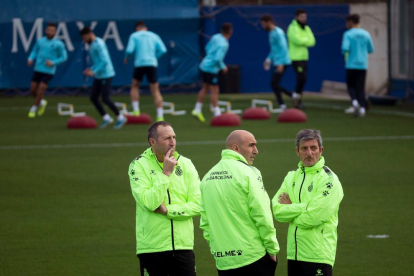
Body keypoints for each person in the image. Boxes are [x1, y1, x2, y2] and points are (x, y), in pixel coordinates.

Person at [200, 130, 279, 276]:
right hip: (253, 257)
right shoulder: (249, 173)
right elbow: (262, 214)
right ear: (236, 148)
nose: (256, 151)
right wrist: (272, 249)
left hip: (224, 261)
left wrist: (217, 250)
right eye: (251, 146)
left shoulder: (207, 178)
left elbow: (205, 222)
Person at [128, 121, 201, 276]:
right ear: (152, 142)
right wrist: (166, 173)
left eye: (174, 137)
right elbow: (150, 203)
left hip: (183, 247)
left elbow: (199, 204)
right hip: (153, 248)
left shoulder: (186, 164)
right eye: (167, 138)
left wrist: (168, 211)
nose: (173, 142)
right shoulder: (138, 165)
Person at [272, 129, 344, 276]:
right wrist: (306, 207)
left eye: (313, 148)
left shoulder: (329, 180)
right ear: (297, 151)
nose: (309, 153)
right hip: (294, 255)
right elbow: (278, 211)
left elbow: (314, 217)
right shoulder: (291, 176)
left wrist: (291, 208)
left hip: (318, 256)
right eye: (304, 148)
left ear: (321, 150)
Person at [80, 27, 126, 129]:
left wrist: (94, 71)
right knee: (93, 97)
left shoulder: (98, 44)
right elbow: (98, 61)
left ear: (89, 34)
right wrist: (91, 69)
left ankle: (120, 117)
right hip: (99, 75)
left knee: (105, 98)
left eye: (84, 37)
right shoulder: (92, 44)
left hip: (106, 74)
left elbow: (104, 61)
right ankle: (106, 118)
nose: (84, 40)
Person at [124, 21, 167, 121]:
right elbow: (163, 50)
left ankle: (136, 110)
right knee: (155, 90)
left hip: (139, 64)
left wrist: (126, 58)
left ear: (137, 28)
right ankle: (160, 116)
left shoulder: (134, 35)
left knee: (135, 86)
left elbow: (129, 50)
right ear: (145, 28)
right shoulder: (154, 35)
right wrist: (155, 58)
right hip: (152, 64)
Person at [192, 23, 233, 122]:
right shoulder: (224, 44)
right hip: (211, 68)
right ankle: (217, 113)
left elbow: (207, 48)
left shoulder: (215, 37)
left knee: (205, 88)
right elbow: (217, 59)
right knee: (215, 90)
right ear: (230, 32)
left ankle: (197, 109)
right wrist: (223, 67)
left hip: (204, 65)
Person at [27, 22, 67, 118]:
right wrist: (30, 58)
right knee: (33, 89)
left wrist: (53, 62)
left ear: (55, 32)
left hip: (49, 71)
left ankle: (34, 107)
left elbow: (64, 57)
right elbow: (34, 51)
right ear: (45, 30)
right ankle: (41, 102)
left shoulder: (58, 44)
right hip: (38, 68)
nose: (50, 32)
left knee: (41, 88)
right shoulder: (40, 41)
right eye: (48, 30)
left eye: (52, 31)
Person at [261, 14, 300, 112]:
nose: (262, 26)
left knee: (274, 83)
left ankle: (290, 97)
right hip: (278, 61)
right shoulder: (271, 33)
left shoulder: (278, 32)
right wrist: (268, 59)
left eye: (263, 24)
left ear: (268, 22)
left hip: (283, 61)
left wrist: (280, 63)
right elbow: (274, 50)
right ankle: (286, 101)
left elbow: (283, 48)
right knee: (274, 83)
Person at [342, 14, 374, 117]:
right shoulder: (366, 34)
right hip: (363, 65)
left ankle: (355, 102)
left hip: (351, 64)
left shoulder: (348, 34)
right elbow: (370, 49)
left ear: (351, 22)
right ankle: (363, 109)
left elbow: (345, 48)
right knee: (360, 87)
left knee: (350, 86)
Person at [287, 9, 316, 108]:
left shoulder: (306, 28)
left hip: (304, 57)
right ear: (297, 17)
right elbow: (297, 41)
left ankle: (297, 99)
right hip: (295, 58)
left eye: (305, 17)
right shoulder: (292, 28)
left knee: (302, 80)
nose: (304, 19)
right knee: (302, 78)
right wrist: (306, 40)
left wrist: (305, 41)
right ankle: (296, 99)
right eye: (302, 17)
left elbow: (312, 41)